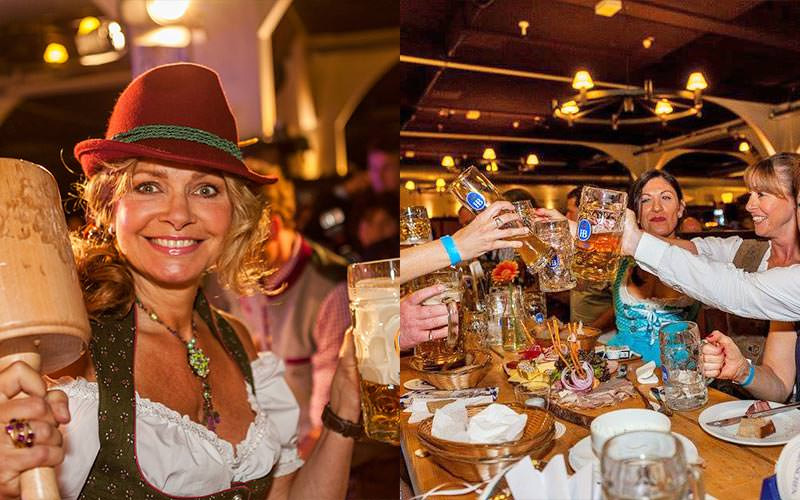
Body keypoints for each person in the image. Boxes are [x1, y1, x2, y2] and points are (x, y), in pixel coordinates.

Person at [0, 63, 359, 500]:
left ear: (234, 214)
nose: (179, 214)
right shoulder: (69, 352)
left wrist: (344, 403)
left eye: (205, 189)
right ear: (109, 207)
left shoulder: (236, 340)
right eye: (149, 186)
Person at [204, 158, 350, 455]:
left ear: (271, 227)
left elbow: (329, 404)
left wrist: (300, 463)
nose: (231, 256)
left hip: (304, 446)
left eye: (239, 241)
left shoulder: (329, 287)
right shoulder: (220, 277)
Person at [620, 153, 800, 322]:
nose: (749, 206)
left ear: (796, 199)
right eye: (750, 194)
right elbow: (697, 249)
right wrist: (630, 236)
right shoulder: (748, 250)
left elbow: (738, 291)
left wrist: (637, 242)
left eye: (761, 194)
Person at [605, 170, 701, 363]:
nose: (656, 208)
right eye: (645, 200)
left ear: (680, 208)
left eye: (666, 197)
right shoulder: (620, 259)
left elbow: (707, 326)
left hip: (678, 372)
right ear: (636, 213)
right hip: (623, 368)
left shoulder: (694, 255)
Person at [399, 201, 527, 285]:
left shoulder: (510, 238)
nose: (467, 229)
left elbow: (519, 273)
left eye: (469, 223)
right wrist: (457, 247)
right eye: (463, 225)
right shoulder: (471, 248)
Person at [566, 185, 614, 330]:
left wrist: (590, 331)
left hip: (604, 336)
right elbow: (583, 291)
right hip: (579, 332)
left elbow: (618, 306)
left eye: (570, 211)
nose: (567, 217)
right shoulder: (580, 247)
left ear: (587, 213)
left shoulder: (609, 249)